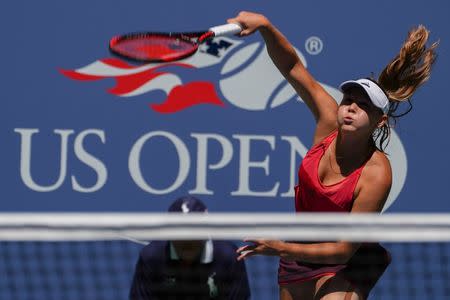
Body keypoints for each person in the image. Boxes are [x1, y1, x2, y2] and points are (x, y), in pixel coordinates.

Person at [227, 11, 438, 300]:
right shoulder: (328, 121)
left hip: (348, 258)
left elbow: (343, 249)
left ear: (380, 122)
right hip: (300, 249)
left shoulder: (376, 173)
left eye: (363, 105)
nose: (351, 107)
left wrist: (279, 248)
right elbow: (291, 66)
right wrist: (265, 26)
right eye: (348, 100)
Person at [129, 196, 251, 300]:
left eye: (193, 231)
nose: (187, 240)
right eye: (180, 232)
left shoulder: (228, 257)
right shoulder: (152, 257)